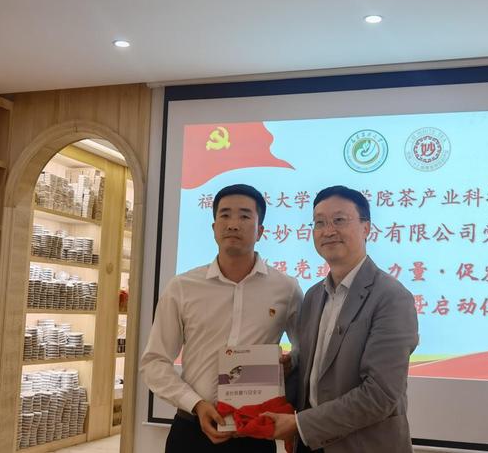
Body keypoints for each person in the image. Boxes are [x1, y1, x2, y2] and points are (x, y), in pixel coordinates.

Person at [140, 184, 303, 453]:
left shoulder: (286, 288)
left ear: (260, 231)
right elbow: (154, 362)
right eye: (225, 215)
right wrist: (196, 403)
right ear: (214, 227)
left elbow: (304, 352)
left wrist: (289, 364)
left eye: (245, 216)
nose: (233, 224)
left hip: (255, 433)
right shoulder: (183, 287)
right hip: (191, 430)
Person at [263, 185, 419, 453]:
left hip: (364, 446)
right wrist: (287, 371)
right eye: (319, 222)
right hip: (311, 444)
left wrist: (300, 425)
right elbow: (314, 378)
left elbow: (380, 395)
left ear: (366, 228)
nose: (328, 230)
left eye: (339, 220)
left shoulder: (391, 297)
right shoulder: (313, 296)